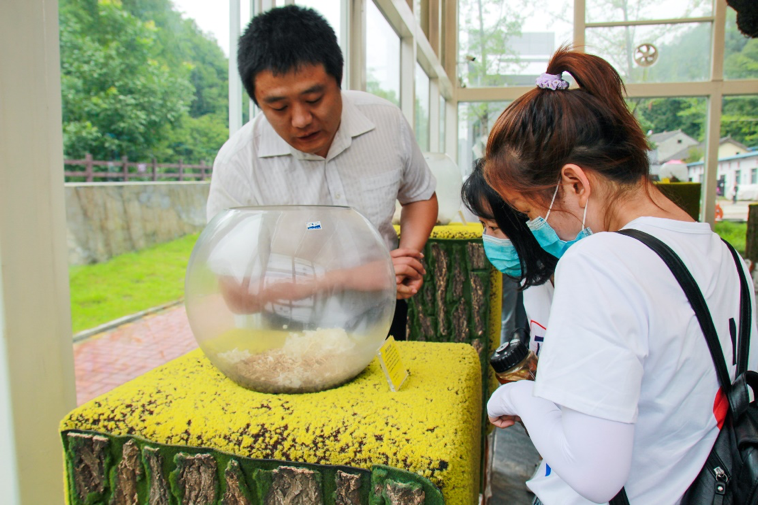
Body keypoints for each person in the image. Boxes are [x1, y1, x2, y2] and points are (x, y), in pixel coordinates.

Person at [484, 47, 758, 504]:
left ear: (575, 183)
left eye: (530, 212)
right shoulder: (726, 256)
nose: (537, 228)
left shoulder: (601, 262)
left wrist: (515, 399)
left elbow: (595, 474)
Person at [206, 6, 438, 338]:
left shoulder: (386, 122)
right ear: (257, 102)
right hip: (287, 330)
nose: (301, 120)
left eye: (314, 99)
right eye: (279, 107)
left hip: (383, 311)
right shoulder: (239, 163)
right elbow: (237, 295)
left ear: (338, 79)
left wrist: (405, 259)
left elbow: (419, 195)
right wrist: (351, 277)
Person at [461, 159, 556, 353]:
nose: (488, 236)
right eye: (484, 225)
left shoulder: (577, 277)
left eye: (494, 227)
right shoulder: (535, 280)